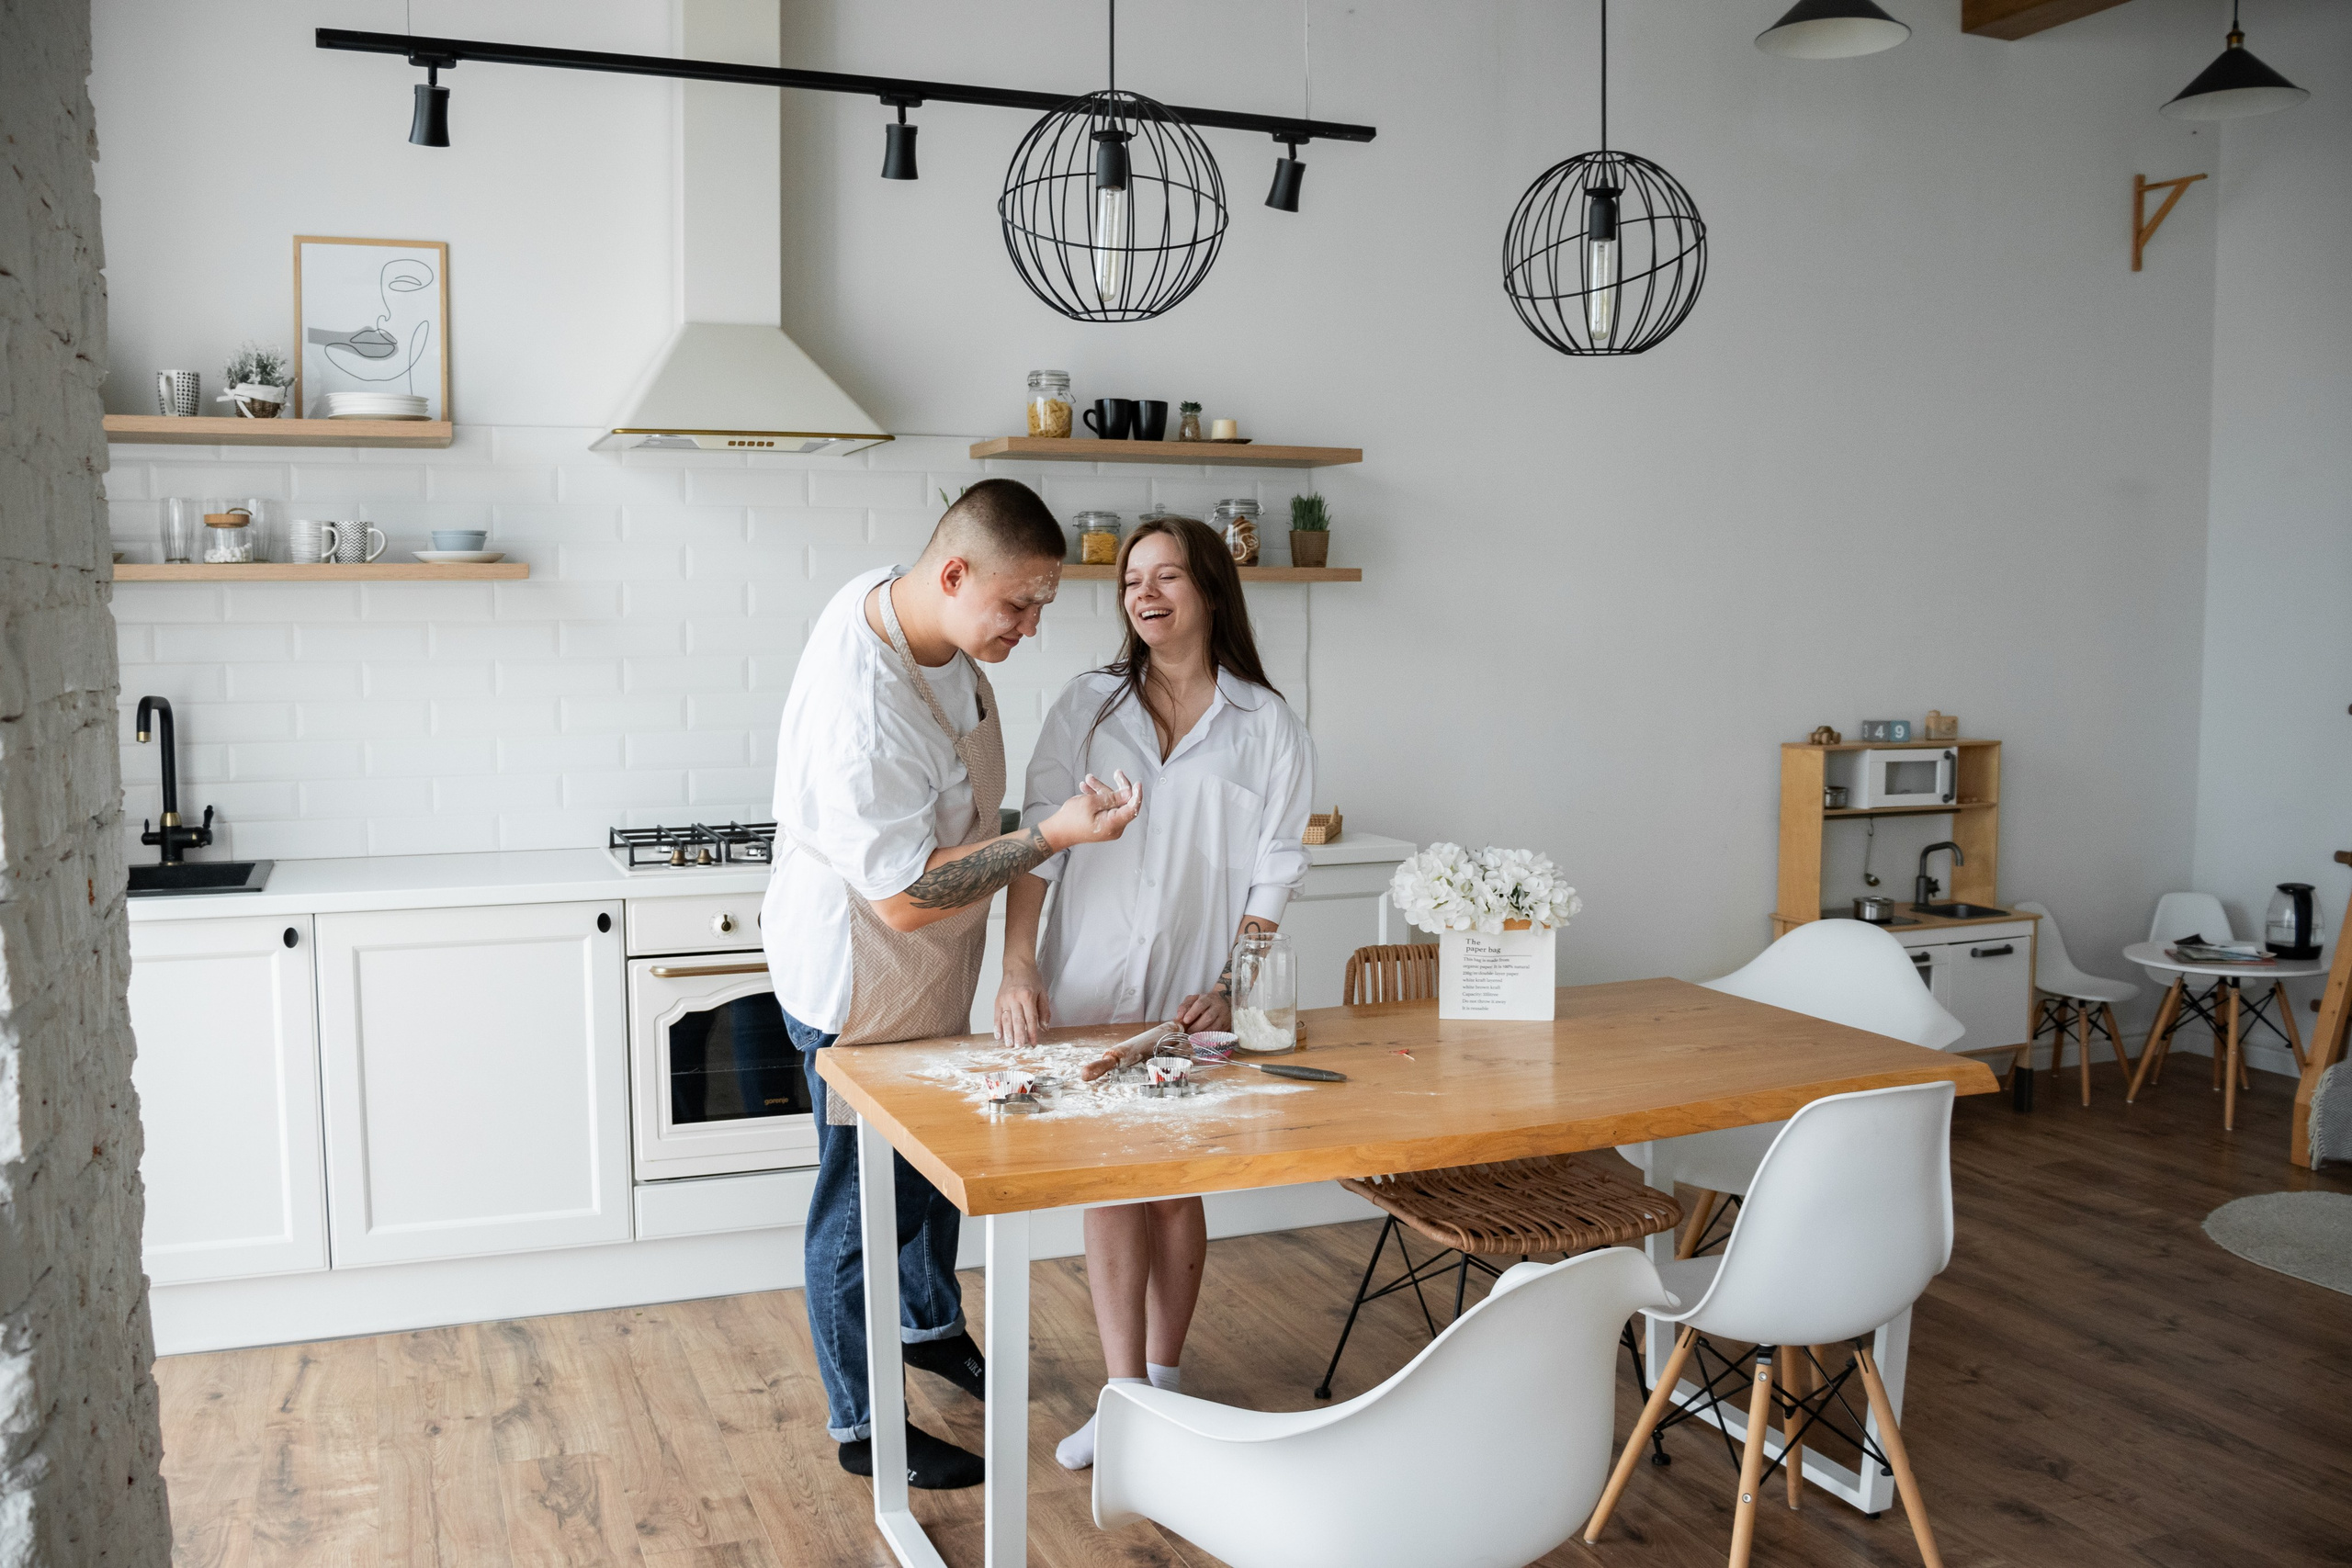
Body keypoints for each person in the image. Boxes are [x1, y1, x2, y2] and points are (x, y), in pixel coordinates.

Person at [763, 479, 1141, 1489]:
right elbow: (900, 899)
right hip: (859, 977)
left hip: (930, 971)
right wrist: (1050, 837)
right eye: (1018, 604)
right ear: (955, 573)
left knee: (930, 1174)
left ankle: (929, 1329)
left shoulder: (912, 606)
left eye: (1043, 604)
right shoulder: (864, 708)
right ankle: (863, 1427)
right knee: (859, 1213)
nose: (1030, 625)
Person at [992, 515, 1316, 1472]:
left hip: (1190, 997)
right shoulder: (1087, 707)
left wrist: (1233, 986)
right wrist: (1018, 965)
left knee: (1174, 1189)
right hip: (1090, 981)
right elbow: (1038, 845)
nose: (1145, 592)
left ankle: (1163, 1387)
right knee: (1110, 1184)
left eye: (1168, 575)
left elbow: (1274, 877)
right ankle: (1123, 1396)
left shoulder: (1267, 724)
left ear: (1211, 589)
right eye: (1133, 578)